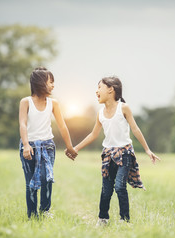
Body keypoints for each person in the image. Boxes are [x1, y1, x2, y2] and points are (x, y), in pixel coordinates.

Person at [66, 76, 160, 225]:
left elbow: (135, 129)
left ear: (111, 89)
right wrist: (75, 148)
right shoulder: (100, 113)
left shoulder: (123, 107)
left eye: (99, 87)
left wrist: (147, 150)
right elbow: (93, 134)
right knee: (106, 190)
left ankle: (125, 220)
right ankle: (103, 219)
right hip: (108, 155)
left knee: (120, 187)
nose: (96, 91)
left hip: (124, 154)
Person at [19, 67, 77, 219]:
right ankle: (32, 215)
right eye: (50, 82)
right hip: (29, 146)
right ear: (40, 83)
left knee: (47, 179)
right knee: (30, 183)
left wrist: (69, 146)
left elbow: (62, 126)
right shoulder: (25, 102)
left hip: (47, 147)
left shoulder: (53, 103)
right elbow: (23, 124)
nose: (53, 85)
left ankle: (45, 211)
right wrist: (25, 145)